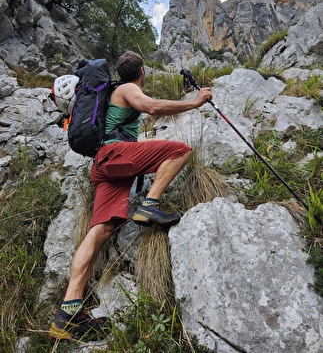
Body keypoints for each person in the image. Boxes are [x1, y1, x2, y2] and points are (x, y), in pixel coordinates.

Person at [49, 51, 213, 340]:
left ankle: (67, 313)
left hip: (105, 165)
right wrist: (194, 103)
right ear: (141, 72)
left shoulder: (113, 91)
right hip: (115, 156)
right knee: (180, 150)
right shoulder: (127, 88)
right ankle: (150, 205)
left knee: (100, 230)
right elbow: (150, 107)